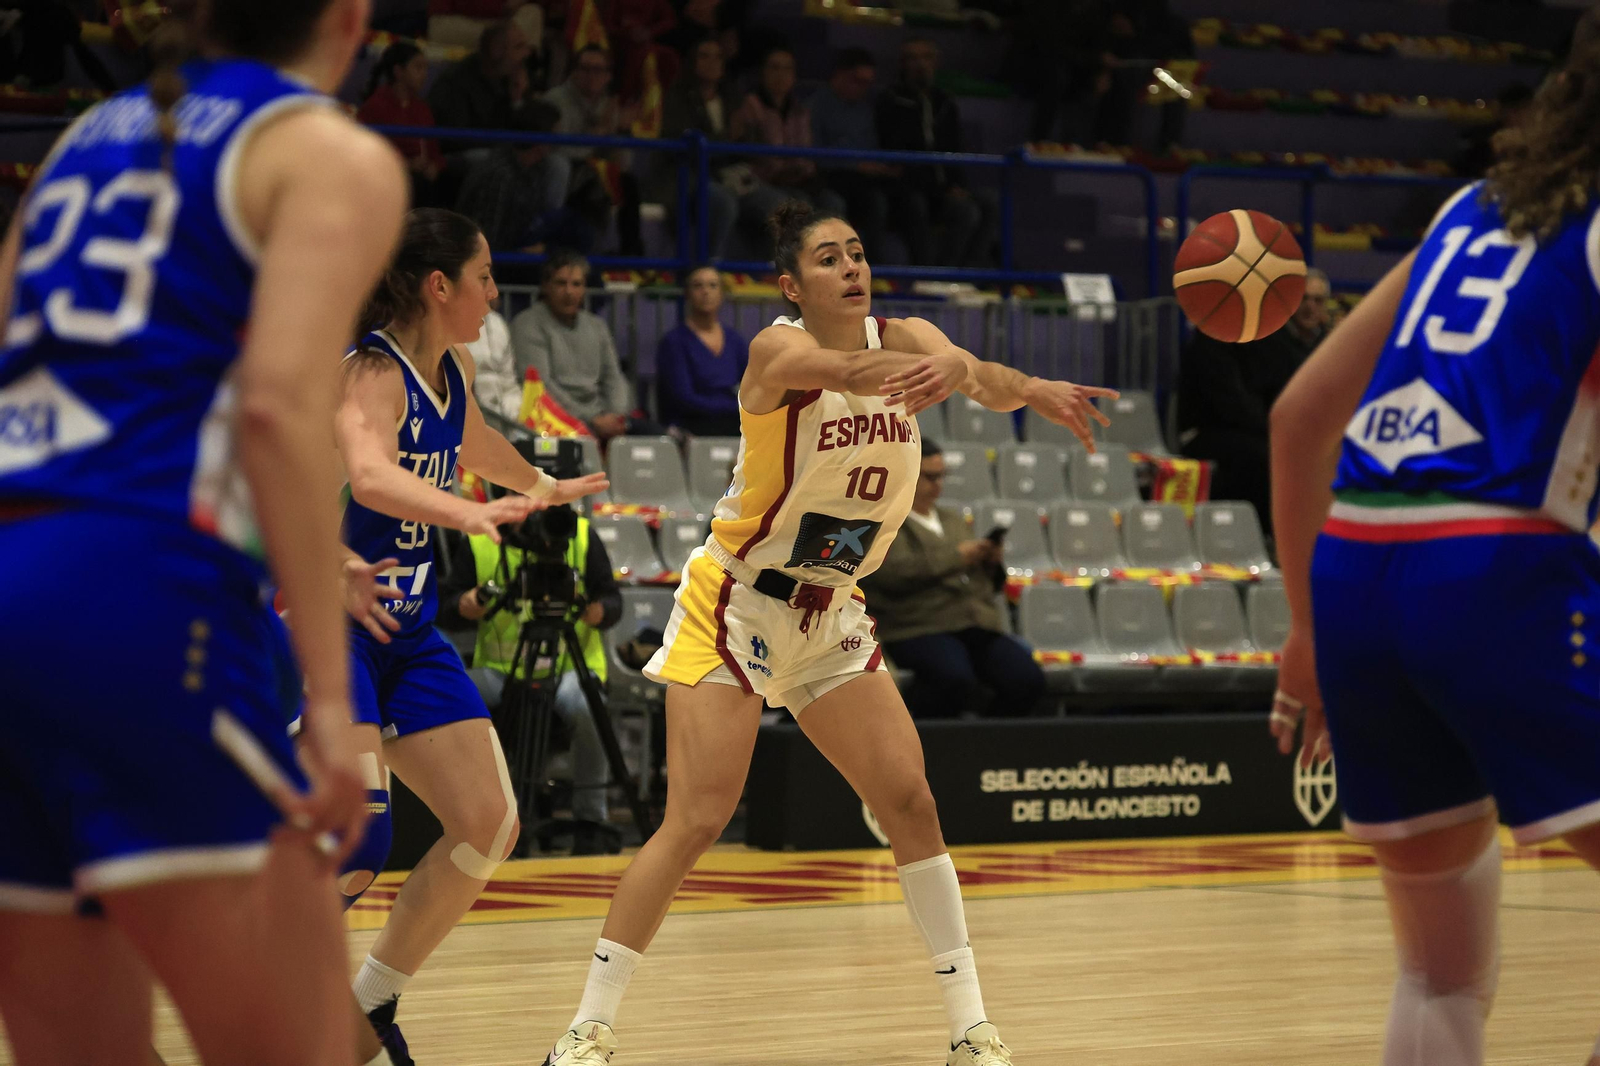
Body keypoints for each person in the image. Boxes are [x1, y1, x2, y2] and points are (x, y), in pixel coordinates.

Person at [536, 200, 1115, 1066]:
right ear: (790, 284)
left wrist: (1030, 388)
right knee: (697, 817)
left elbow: (980, 376)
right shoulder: (779, 350)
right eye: (828, 259)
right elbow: (849, 365)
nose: (851, 267)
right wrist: (939, 365)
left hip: (830, 607)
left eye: (857, 252)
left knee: (911, 803)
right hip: (736, 601)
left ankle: (970, 1028)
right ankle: (587, 1027)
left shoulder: (910, 337)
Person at [0, 1, 405, 1063]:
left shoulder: (85, 138)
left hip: (11, 584)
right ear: (353, 17)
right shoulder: (324, 150)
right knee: (310, 1044)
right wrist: (327, 696)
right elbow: (276, 409)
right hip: (137, 595)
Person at [1268, 13, 1600, 1066]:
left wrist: (1305, 635)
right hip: (1493, 564)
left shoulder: (1469, 210)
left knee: (1439, 970)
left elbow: (1295, 419)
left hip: (1356, 572)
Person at [333, 208, 609, 1064]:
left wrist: (538, 485)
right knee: (358, 839)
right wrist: (471, 511)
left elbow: (473, 438)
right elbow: (372, 476)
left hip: (406, 632)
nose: (497, 292)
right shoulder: (370, 371)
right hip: (324, 624)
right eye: (485, 276)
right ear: (438, 284)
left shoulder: (446, 369)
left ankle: (366, 1007)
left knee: (489, 823)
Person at [436, 498, 625, 856]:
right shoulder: (481, 538)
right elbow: (446, 608)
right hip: (500, 669)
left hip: (571, 663)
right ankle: (474, 814)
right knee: (446, 695)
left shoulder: (580, 534)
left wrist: (596, 611)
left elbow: (612, 601)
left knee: (587, 707)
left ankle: (590, 820)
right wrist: (467, 605)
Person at [863, 439, 1047, 719]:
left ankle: (987, 748)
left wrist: (990, 563)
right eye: (930, 476)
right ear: (907, 474)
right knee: (952, 678)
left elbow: (989, 585)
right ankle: (925, 739)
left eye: (941, 476)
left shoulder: (952, 519)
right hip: (916, 625)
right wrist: (958, 557)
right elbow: (890, 574)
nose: (938, 485)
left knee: (1026, 678)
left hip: (973, 623)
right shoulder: (886, 521)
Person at [1176, 267, 1329, 534]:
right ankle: (1270, 535)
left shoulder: (1266, 339)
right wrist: (1277, 430)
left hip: (1255, 429)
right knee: (1265, 458)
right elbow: (1228, 403)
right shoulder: (1212, 338)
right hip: (1208, 431)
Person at [509, 249, 659, 440]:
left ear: (584, 288)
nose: (569, 291)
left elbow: (614, 377)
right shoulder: (527, 324)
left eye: (576, 284)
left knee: (659, 438)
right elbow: (541, 386)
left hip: (603, 417)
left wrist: (615, 416)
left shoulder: (597, 326)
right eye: (561, 283)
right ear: (545, 286)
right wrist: (592, 419)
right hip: (554, 420)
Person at [877, 37, 995, 267]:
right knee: (962, 212)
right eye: (913, 59)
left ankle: (972, 271)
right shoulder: (890, 100)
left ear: (936, 62)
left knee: (991, 203)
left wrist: (957, 185)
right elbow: (894, 149)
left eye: (926, 58)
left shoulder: (945, 103)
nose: (920, 64)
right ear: (903, 65)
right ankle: (937, 272)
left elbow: (955, 148)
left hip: (943, 188)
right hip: (910, 186)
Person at [728, 46, 846, 243]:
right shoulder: (748, 106)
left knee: (833, 203)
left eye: (787, 69)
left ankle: (828, 263)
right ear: (762, 73)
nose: (780, 75)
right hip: (758, 183)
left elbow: (804, 156)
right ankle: (787, 267)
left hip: (794, 181)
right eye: (774, 68)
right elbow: (752, 156)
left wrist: (800, 171)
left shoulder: (800, 110)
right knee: (794, 207)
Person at [455, 99, 587, 254]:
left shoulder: (535, 168)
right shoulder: (500, 174)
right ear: (541, 141)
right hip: (494, 258)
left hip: (517, 248)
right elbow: (488, 237)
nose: (558, 141)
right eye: (554, 135)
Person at [656, 37, 739, 258]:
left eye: (717, 57)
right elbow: (686, 141)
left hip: (729, 174)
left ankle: (765, 275)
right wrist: (727, 138)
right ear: (692, 61)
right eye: (704, 56)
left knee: (774, 202)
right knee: (721, 201)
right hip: (686, 176)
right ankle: (706, 270)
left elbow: (745, 139)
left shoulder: (732, 98)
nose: (711, 62)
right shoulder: (677, 96)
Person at [809, 47, 891, 261]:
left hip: (860, 182)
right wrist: (854, 165)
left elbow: (871, 150)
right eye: (857, 80)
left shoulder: (864, 110)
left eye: (868, 83)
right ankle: (836, 266)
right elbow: (814, 153)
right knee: (834, 203)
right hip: (827, 179)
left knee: (878, 201)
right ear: (839, 76)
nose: (863, 88)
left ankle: (872, 268)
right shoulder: (816, 106)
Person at [654, 264, 748, 436]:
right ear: (687, 294)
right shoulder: (674, 342)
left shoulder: (735, 341)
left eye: (712, 285)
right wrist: (735, 406)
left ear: (722, 294)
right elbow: (683, 398)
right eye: (698, 286)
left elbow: (751, 385)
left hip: (733, 420)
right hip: (691, 423)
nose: (705, 291)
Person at [358, 40, 445, 206]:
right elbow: (368, 154)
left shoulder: (422, 108)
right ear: (399, 71)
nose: (424, 74)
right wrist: (406, 165)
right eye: (418, 67)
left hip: (421, 180)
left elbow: (434, 149)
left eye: (425, 68)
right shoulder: (376, 107)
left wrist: (434, 166)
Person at [427, 18, 532, 151]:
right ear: (496, 50)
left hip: (500, 152)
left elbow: (528, 131)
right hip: (464, 155)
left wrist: (517, 100)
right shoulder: (457, 81)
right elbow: (456, 139)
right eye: (519, 47)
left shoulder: (515, 76)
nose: (527, 53)